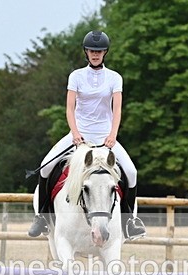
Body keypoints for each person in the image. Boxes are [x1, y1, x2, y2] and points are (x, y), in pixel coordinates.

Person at [28, 30, 146, 240]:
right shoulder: (76, 76)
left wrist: (112, 134)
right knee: (46, 166)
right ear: (86, 51)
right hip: (79, 135)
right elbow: (69, 109)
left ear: (105, 52)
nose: (95, 54)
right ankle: (42, 217)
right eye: (92, 50)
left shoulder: (114, 78)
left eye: (99, 51)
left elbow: (117, 109)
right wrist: (75, 133)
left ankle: (130, 221)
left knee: (132, 172)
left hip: (105, 136)